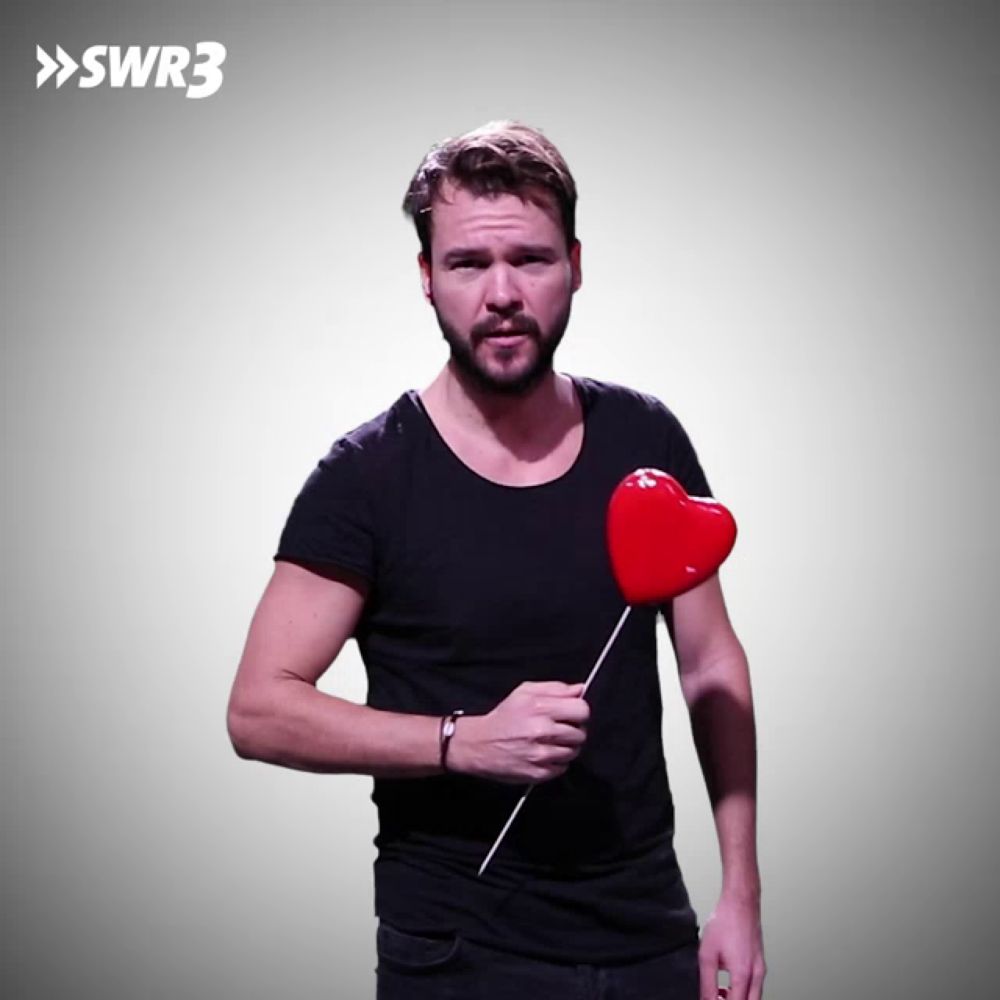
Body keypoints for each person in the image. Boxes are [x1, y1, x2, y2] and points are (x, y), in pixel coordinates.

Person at [227, 120, 765, 1000]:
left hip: (649, 935)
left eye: (533, 259)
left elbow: (710, 662)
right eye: (470, 264)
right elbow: (258, 711)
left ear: (577, 266)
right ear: (427, 277)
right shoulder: (366, 479)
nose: (503, 292)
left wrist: (739, 893)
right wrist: (459, 742)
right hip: (459, 950)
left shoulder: (646, 439)